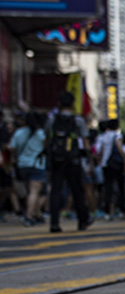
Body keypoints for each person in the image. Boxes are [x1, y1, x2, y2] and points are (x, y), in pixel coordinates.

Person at [45, 92, 91, 233]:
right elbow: (85, 140)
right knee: (77, 190)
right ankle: (82, 221)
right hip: (73, 160)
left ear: (59, 104)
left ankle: (54, 223)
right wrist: (88, 157)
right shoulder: (78, 120)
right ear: (72, 104)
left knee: (56, 191)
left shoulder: (52, 120)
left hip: (56, 160)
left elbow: (47, 137)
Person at [9, 111, 47, 226]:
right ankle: (30, 216)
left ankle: (35, 213)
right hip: (37, 165)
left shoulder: (19, 133)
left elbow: (11, 148)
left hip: (22, 165)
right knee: (34, 192)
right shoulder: (41, 134)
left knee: (29, 192)